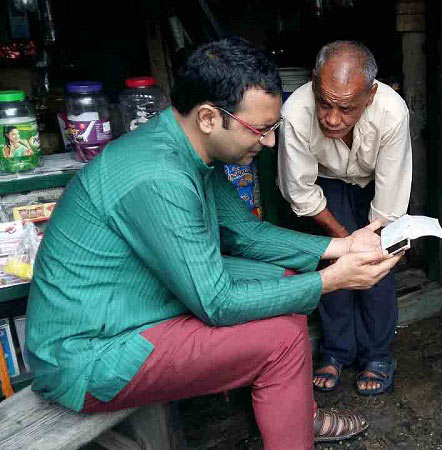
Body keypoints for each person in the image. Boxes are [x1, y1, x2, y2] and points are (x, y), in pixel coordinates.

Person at [25, 37, 402, 449]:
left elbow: (247, 233)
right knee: (284, 340)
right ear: (208, 117)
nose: (270, 143)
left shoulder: (189, 146)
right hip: (91, 350)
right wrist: (333, 281)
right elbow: (216, 303)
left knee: (285, 277)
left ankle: (293, 412)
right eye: (261, 130)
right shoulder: (160, 176)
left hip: (137, 299)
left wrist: (345, 248)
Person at [277, 41, 412, 396]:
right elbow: (301, 193)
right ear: (312, 82)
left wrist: (372, 245)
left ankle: (379, 354)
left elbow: (389, 203)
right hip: (325, 183)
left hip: (374, 184)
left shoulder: (392, 112)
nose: (332, 118)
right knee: (334, 262)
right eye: (325, 103)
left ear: (370, 96)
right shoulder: (294, 113)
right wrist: (345, 243)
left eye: (347, 108)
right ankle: (336, 351)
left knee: (378, 262)